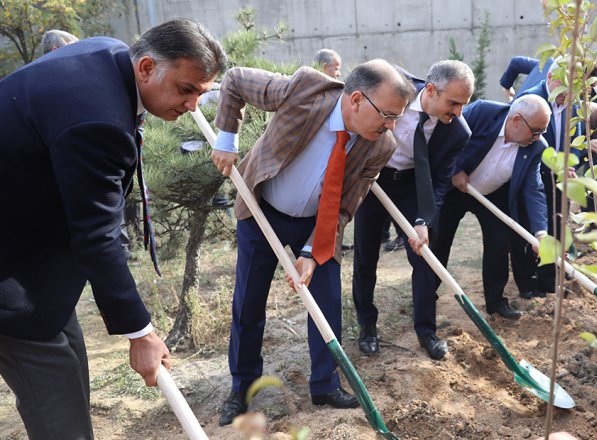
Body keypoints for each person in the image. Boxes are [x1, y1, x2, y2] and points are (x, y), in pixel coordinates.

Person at [0, 18, 226, 440]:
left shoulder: (111, 52)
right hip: (10, 275)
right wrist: (140, 333)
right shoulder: (98, 120)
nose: (193, 106)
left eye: (202, 92)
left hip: (31, 252)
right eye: (185, 89)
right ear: (145, 68)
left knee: (69, 358)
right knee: (57, 400)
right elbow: (97, 236)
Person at [210, 60, 414, 425]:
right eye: (387, 115)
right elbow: (236, 79)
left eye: (396, 118)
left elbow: (347, 202)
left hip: (317, 226)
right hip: (262, 211)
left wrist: (311, 251)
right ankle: (242, 389)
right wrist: (226, 138)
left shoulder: (380, 146)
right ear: (356, 100)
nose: (391, 126)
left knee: (327, 302)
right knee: (248, 305)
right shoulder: (305, 88)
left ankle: (324, 384)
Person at [351, 60, 474, 360]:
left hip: (410, 186)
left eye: (463, 105)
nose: (458, 112)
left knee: (424, 256)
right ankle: (367, 326)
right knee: (366, 256)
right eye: (453, 103)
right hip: (372, 181)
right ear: (430, 90)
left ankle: (426, 330)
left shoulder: (458, 131)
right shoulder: (393, 89)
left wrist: (423, 219)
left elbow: (440, 180)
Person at [424, 95, 550, 321]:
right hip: (455, 191)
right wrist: (454, 171)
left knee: (499, 244)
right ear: (516, 120)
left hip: (494, 195)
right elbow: (444, 140)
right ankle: (426, 295)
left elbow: (534, 190)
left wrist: (541, 233)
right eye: (536, 130)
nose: (538, 137)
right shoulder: (482, 113)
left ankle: (496, 301)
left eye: (542, 131)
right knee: (440, 240)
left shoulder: (536, 147)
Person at [516, 60, 583, 297]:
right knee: (532, 227)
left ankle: (549, 280)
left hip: (560, 179)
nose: (569, 95)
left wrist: (569, 162)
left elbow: (577, 140)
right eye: (566, 89)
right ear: (552, 78)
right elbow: (525, 145)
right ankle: (527, 285)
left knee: (557, 226)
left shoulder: (573, 106)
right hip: (534, 176)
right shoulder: (531, 101)